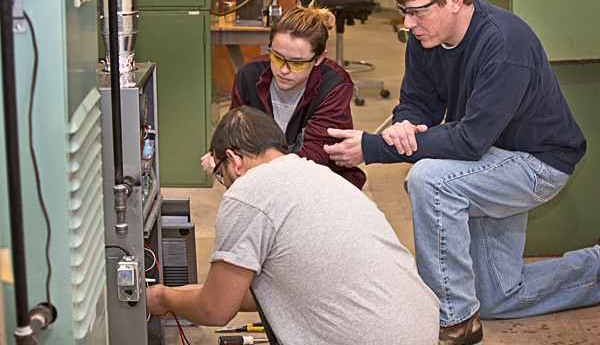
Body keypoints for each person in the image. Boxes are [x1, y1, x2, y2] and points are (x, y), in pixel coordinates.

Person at [323, 0, 600, 344]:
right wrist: (403, 124)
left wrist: (373, 147)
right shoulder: (424, 36)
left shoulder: (504, 45)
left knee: (430, 181)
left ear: (454, 0)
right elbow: (419, 100)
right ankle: (596, 270)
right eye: (404, 11)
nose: (407, 23)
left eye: (416, 11)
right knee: (500, 297)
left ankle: (456, 321)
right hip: (490, 158)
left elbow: (469, 140)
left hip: (538, 162)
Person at [147, 105, 440, 344]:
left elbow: (215, 310)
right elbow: (266, 291)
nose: (225, 185)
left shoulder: (248, 193)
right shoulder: (318, 175)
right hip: (420, 329)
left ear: (234, 161)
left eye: (221, 175)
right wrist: (182, 295)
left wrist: (162, 296)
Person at [201, 0, 366, 189]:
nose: (284, 70)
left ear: (319, 58)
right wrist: (220, 156)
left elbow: (316, 157)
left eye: (297, 63)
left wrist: (245, 164)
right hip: (265, 179)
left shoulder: (334, 85)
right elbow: (235, 135)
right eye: (277, 57)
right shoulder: (249, 76)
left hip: (318, 182)